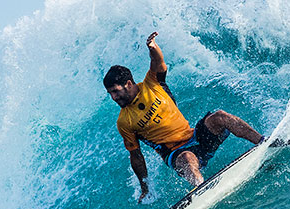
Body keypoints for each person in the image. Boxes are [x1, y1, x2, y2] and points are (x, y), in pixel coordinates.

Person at [104, 32, 266, 199]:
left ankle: (263, 142)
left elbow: (157, 62)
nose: (114, 98)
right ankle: (202, 189)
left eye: (115, 91)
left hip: (195, 136)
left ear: (128, 84)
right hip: (175, 153)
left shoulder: (152, 84)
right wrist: (145, 188)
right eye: (110, 94)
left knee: (220, 116)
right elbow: (136, 156)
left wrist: (153, 47)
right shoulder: (125, 121)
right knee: (188, 158)